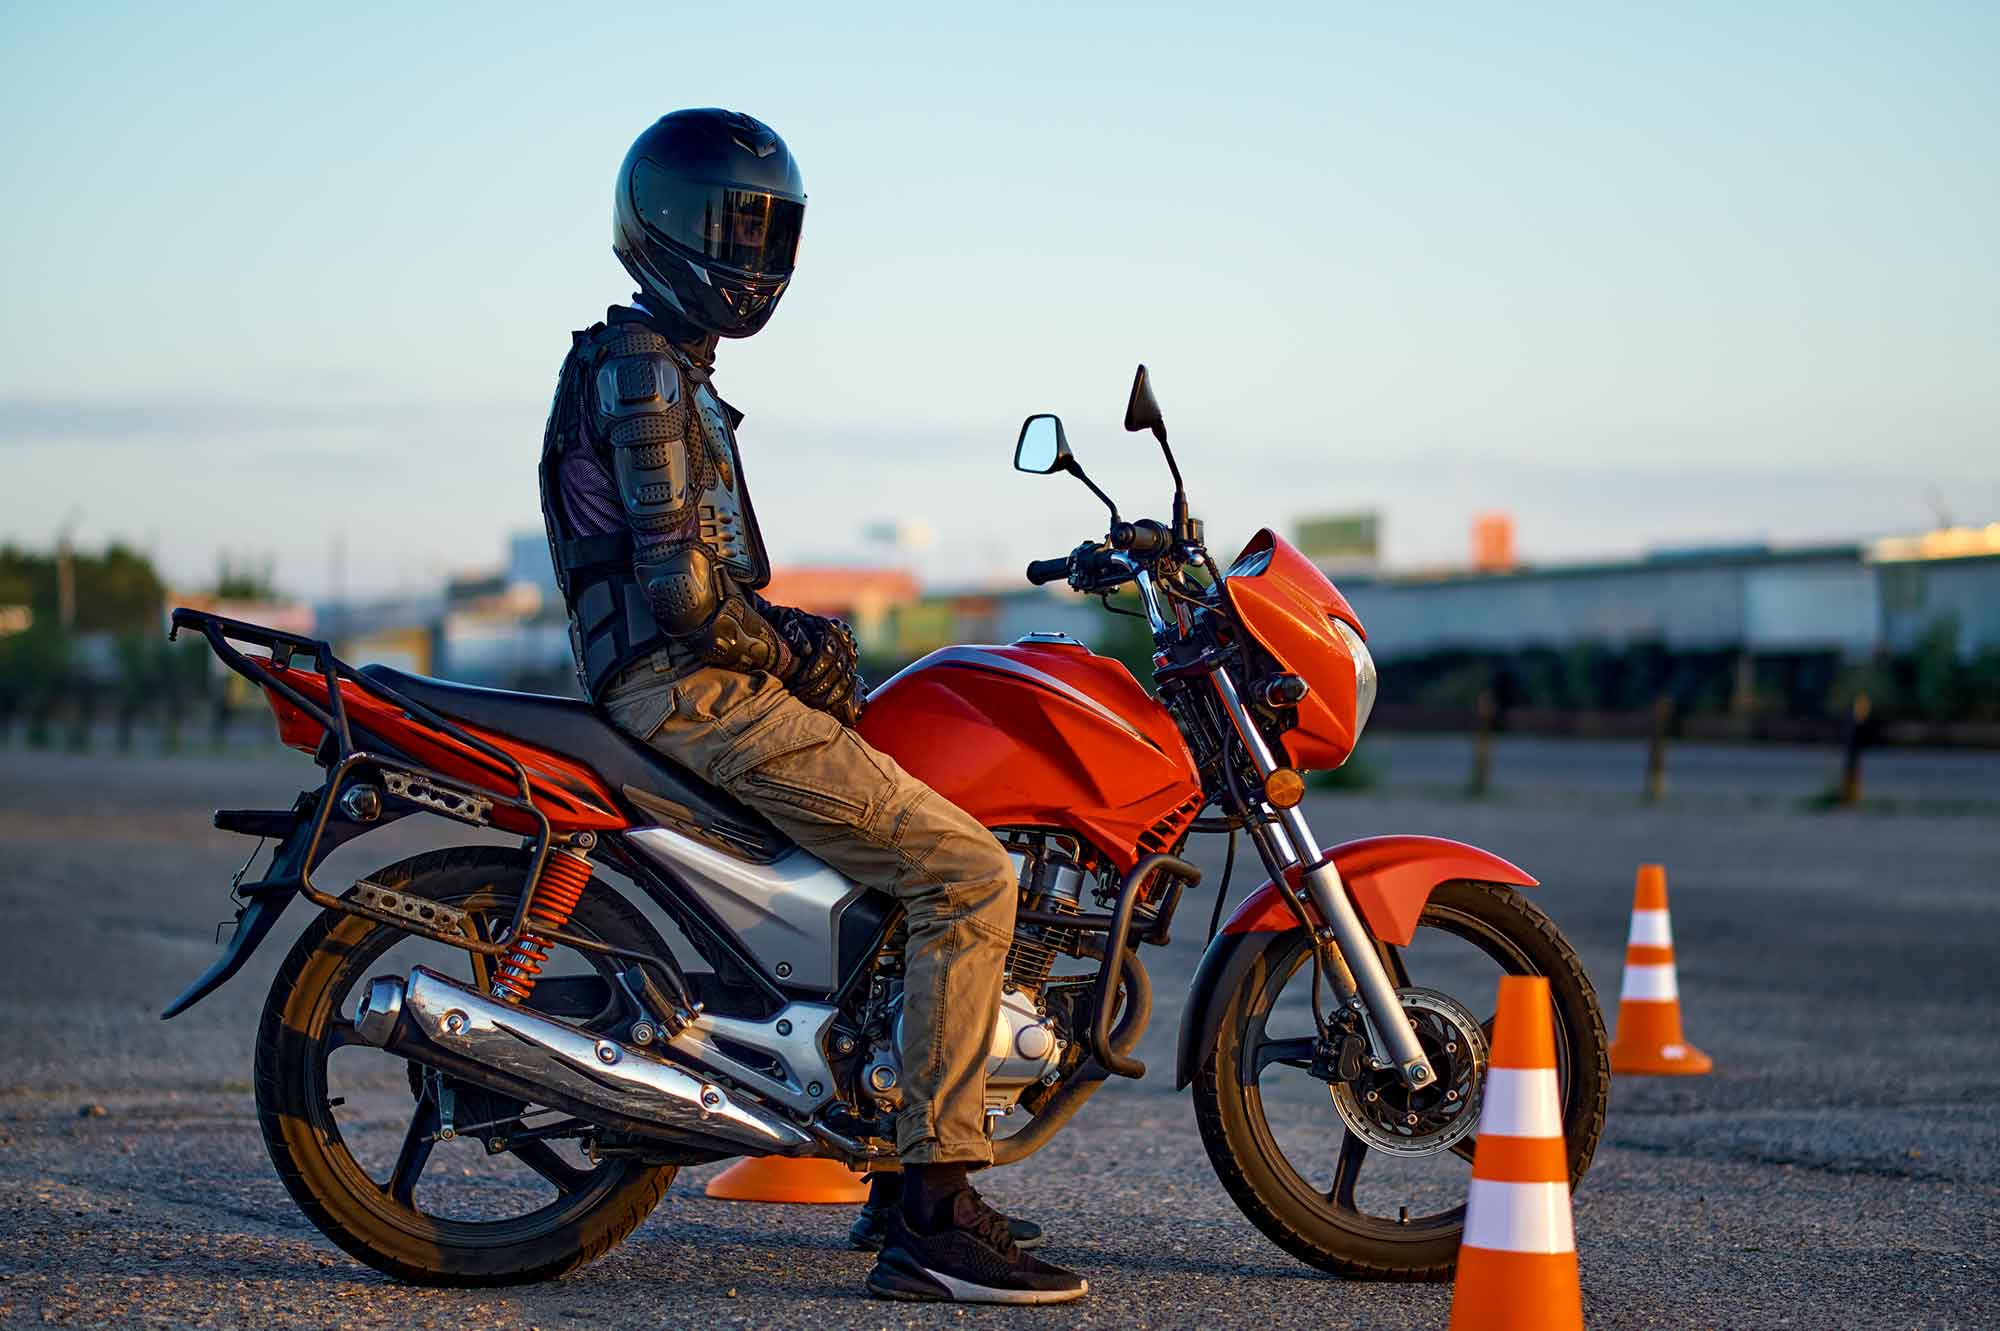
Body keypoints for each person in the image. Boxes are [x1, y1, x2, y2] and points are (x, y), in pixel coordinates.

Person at [537, 108, 1086, 1306]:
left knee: (908, 856)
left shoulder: (666, 365)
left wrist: (795, 648)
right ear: (671, 228)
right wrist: (799, 643)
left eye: (770, 227)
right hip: (687, 687)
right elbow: (684, 591)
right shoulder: (639, 366)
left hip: (689, 677)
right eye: (738, 225)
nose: (756, 252)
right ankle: (934, 1212)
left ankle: (894, 1164)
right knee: (968, 875)